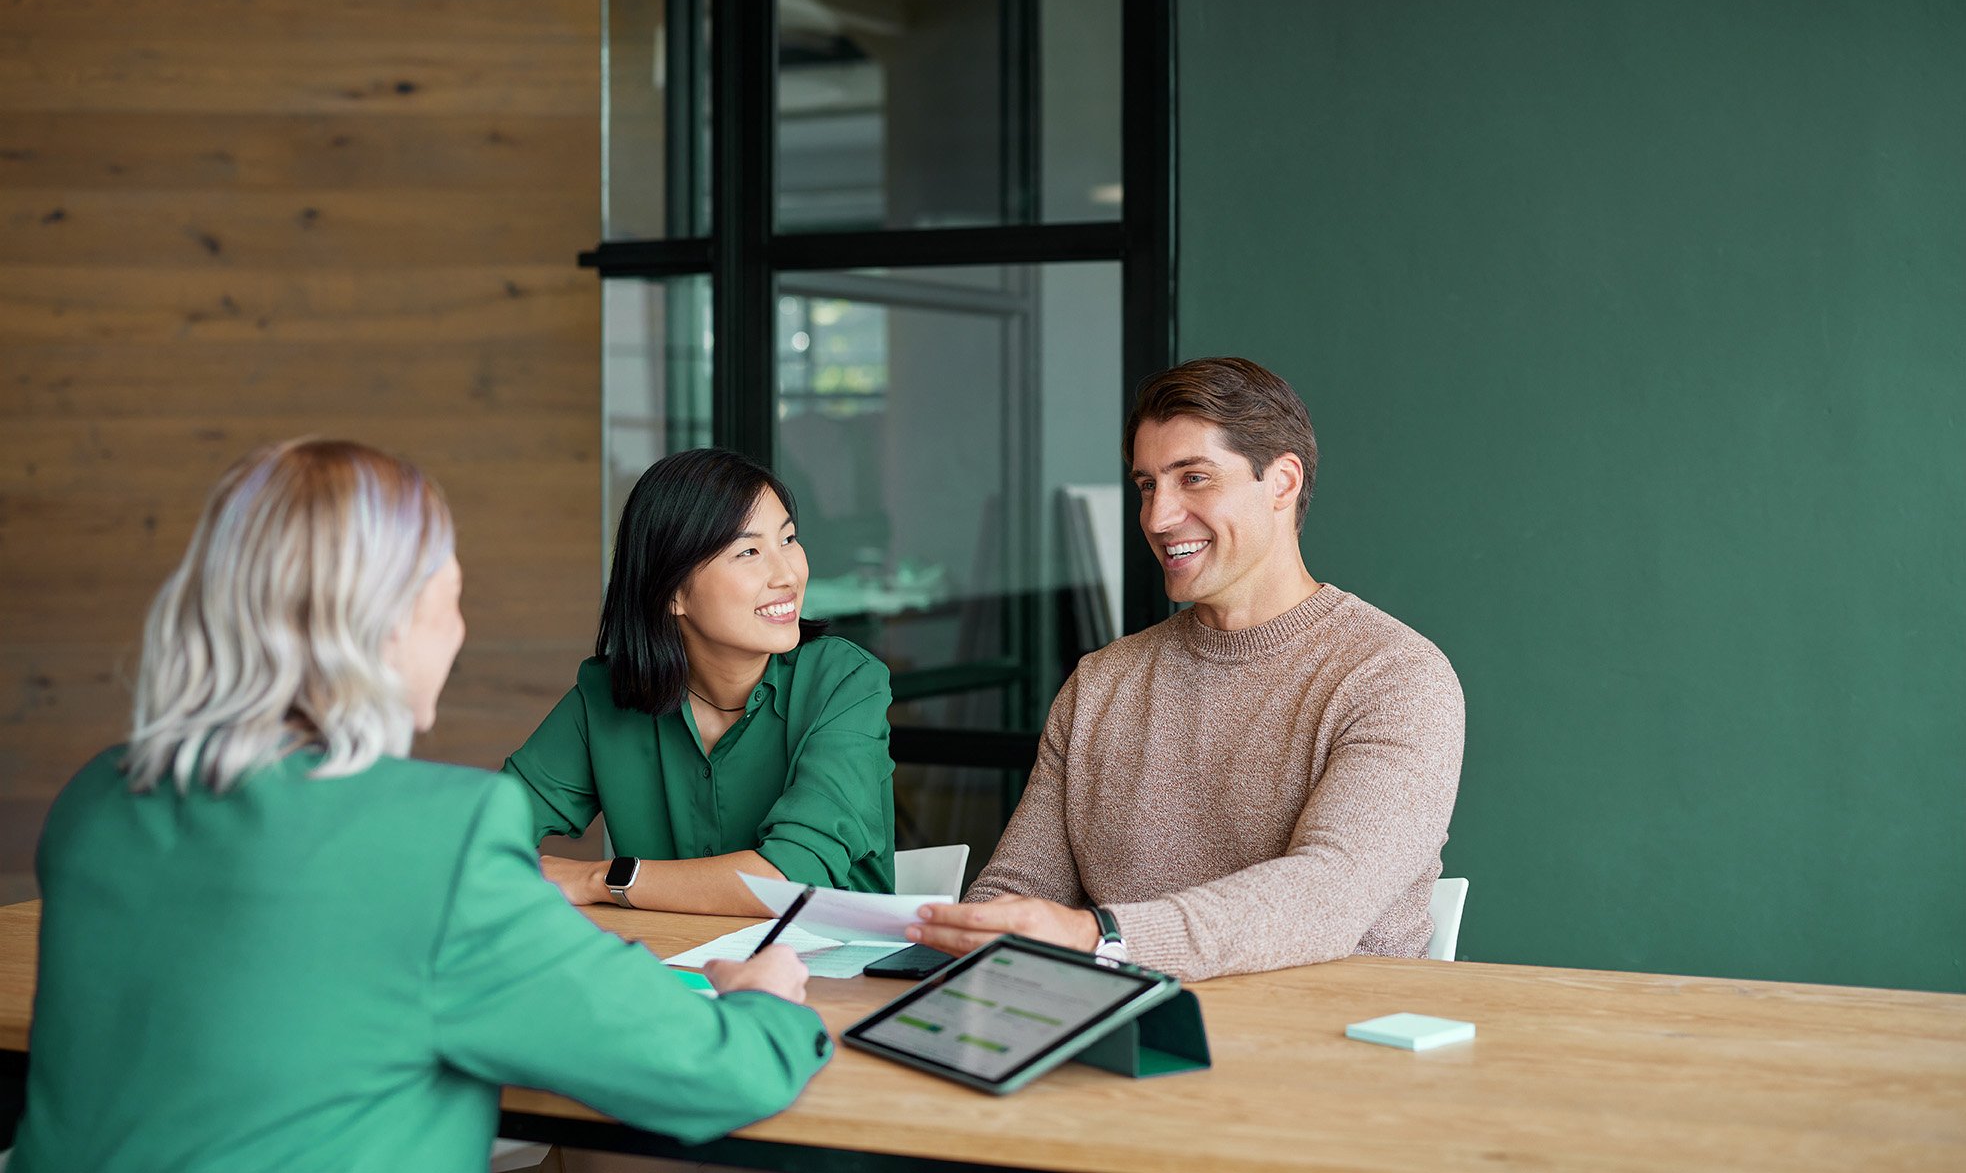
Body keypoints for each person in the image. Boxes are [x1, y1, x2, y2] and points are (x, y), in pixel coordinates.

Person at [10, 441, 830, 1173]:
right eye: (451, 596)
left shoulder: (98, 799)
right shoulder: (444, 837)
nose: (457, 631)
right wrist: (763, 997)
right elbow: (717, 1071)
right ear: (394, 624)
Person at [907, 357, 1465, 981]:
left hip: (1327, 1032)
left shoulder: (1395, 677)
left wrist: (1102, 937)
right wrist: (969, 930)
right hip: (1121, 1023)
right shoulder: (1102, 683)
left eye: (1193, 478)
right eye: (1147, 485)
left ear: (1282, 483)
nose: (1157, 517)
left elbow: (1326, 897)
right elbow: (1020, 888)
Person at [504, 448, 894, 914]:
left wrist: (600, 879)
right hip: (668, 957)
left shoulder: (845, 683)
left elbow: (790, 879)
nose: (788, 574)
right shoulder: (608, 697)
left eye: (788, 539)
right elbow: (480, 832)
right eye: (749, 552)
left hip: (832, 957)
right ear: (671, 591)